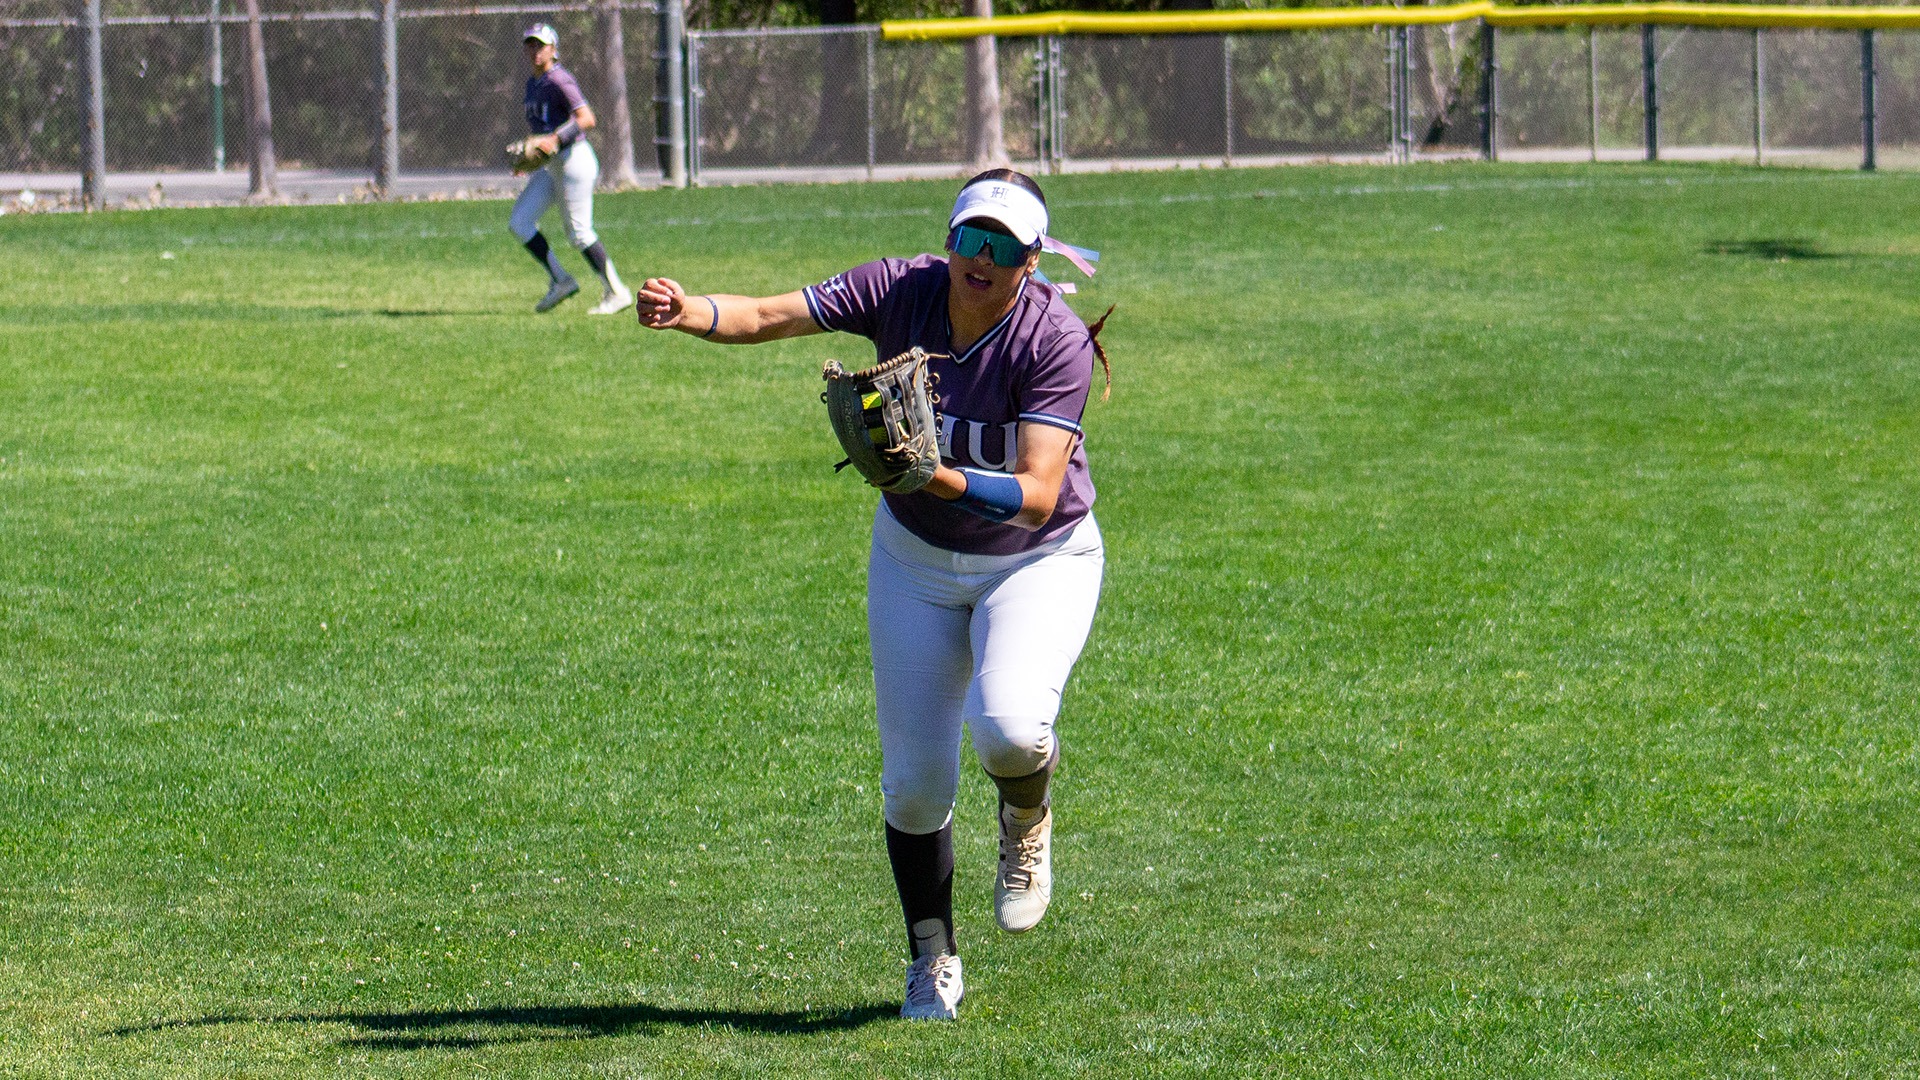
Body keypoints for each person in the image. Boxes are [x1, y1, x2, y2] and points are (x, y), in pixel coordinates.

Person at [634, 170, 1112, 1022]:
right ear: (951, 239)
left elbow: (1039, 493)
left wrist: (936, 475)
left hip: (1036, 559)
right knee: (916, 788)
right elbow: (772, 314)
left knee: (1008, 728)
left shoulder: (1054, 340)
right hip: (915, 561)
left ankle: (1027, 816)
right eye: (972, 237)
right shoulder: (902, 286)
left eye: (1004, 247)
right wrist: (690, 310)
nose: (983, 258)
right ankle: (932, 959)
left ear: (1031, 262)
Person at [509, 23, 632, 316]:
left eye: (540, 45)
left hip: (575, 160)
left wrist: (554, 138)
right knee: (520, 223)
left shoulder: (559, 79)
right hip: (552, 166)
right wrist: (532, 159)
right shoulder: (532, 83)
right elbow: (542, 130)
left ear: (553, 49)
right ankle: (561, 280)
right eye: (530, 45)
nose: (534, 50)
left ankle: (617, 292)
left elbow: (587, 118)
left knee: (578, 232)